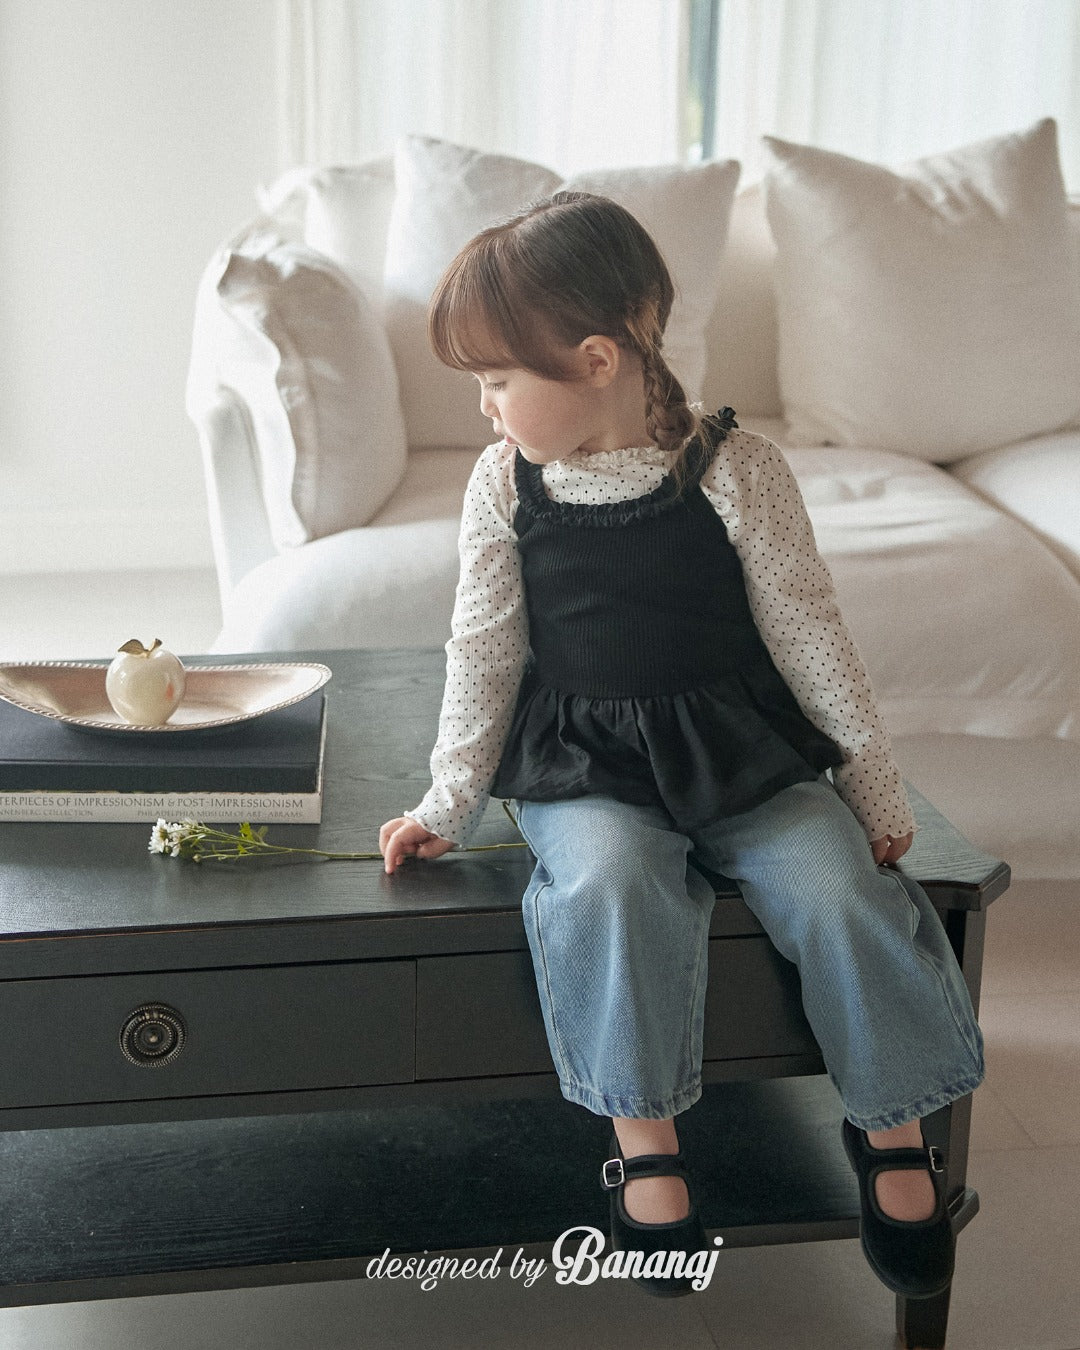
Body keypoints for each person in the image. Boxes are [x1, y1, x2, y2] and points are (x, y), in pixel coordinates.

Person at [379, 191, 984, 1299]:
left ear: (596, 360)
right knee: (609, 884)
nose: (485, 407)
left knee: (836, 885)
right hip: (583, 762)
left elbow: (810, 633)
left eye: (499, 380)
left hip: (735, 749)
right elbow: (484, 650)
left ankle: (893, 1125)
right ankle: (645, 1138)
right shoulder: (503, 483)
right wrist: (446, 800)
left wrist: (872, 783)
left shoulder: (736, 468)